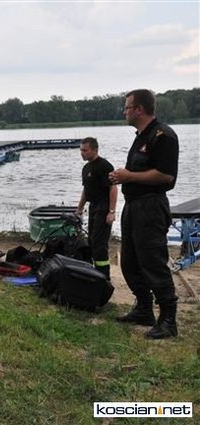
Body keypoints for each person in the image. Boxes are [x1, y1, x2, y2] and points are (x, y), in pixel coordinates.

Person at [109, 89, 179, 339]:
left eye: (127, 107)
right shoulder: (141, 136)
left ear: (139, 109)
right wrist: (122, 177)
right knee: (129, 262)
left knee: (153, 262)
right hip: (133, 206)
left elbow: (166, 176)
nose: (124, 112)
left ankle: (168, 319)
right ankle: (143, 308)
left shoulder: (163, 135)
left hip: (151, 207)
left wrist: (129, 176)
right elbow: (139, 171)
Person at [75, 137, 117, 280]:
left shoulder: (104, 166)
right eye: (81, 150)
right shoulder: (86, 168)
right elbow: (86, 190)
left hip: (103, 207)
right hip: (93, 207)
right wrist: (79, 209)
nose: (82, 153)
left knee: (100, 244)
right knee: (91, 241)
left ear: (95, 150)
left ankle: (104, 277)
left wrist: (112, 212)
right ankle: (94, 274)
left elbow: (113, 188)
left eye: (85, 150)